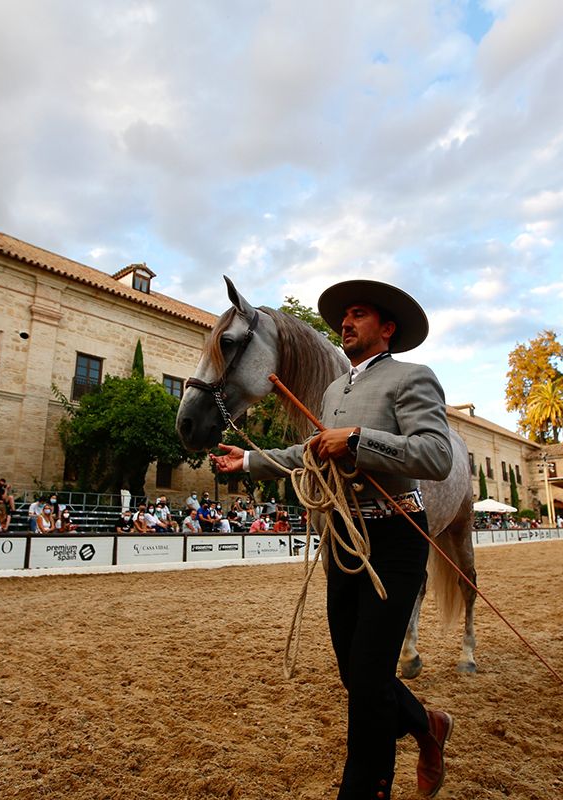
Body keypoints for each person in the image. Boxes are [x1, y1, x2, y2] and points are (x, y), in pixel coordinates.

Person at [211, 279, 454, 800]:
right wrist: (250, 461)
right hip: (342, 540)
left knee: (368, 678)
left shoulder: (413, 377)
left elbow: (435, 455)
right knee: (354, 670)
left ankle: (365, 788)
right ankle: (426, 725)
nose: (346, 322)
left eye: (359, 314)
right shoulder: (332, 390)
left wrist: (361, 441)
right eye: (344, 316)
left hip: (392, 537)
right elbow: (314, 451)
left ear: (387, 329)